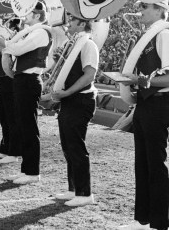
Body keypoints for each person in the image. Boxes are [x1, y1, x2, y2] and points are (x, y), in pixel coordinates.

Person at [118, 0, 169, 230]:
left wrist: (141, 81)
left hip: (158, 103)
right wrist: (135, 83)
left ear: (160, 10)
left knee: (155, 164)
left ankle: (161, 223)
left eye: (145, 7)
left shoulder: (165, 35)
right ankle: (145, 220)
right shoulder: (149, 36)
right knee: (142, 164)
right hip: (146, 102)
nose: (140, 11)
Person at [0, 1, 52, 185]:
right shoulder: (33, 31)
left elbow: (14, 48)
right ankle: (26, 169)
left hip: (29, 80)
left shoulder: (40, 32)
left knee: (28, 126)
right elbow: (12, 47)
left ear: (37, 15)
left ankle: (32, 171)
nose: (24, 15)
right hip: (23, 79)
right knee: (22, 124)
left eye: (28, 12)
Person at [51, 15, 99, 207]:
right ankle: (73, 189)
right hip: (71, 100)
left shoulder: (88, 45)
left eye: (72, 21)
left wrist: (67, 92)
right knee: (68, 146)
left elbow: (89, 75)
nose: (68, 24)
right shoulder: (74, 44)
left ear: (81, 24)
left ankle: (85, 193)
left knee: (76, 146)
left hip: (80, 99)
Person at [0, 19, 22, 164]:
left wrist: (2, 40)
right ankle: (5, 148)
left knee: (11, 117)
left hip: (10, 79)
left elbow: (10, 52)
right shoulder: (5, 39)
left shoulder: (17, 38)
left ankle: (14, 151)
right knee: (4, 117)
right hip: (1, 77)